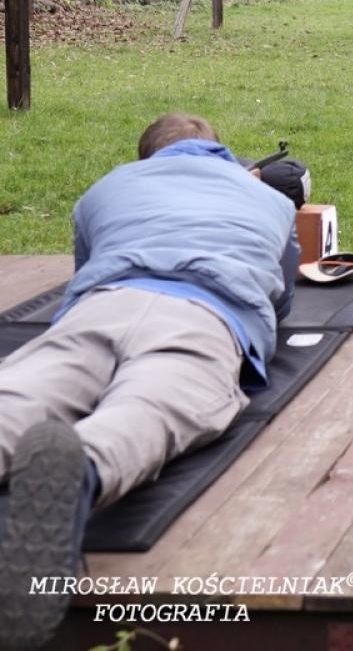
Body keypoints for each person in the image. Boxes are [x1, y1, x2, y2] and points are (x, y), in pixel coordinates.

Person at [0, 114, 299, 647]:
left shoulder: (105, 188)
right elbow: (282, 298)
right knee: (151, 406)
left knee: (23, 391)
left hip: (103, 303)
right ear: (222, 151)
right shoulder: (271, 201)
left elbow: (82, 266)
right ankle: (86, 464)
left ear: (148, 156)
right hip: (204, 314)